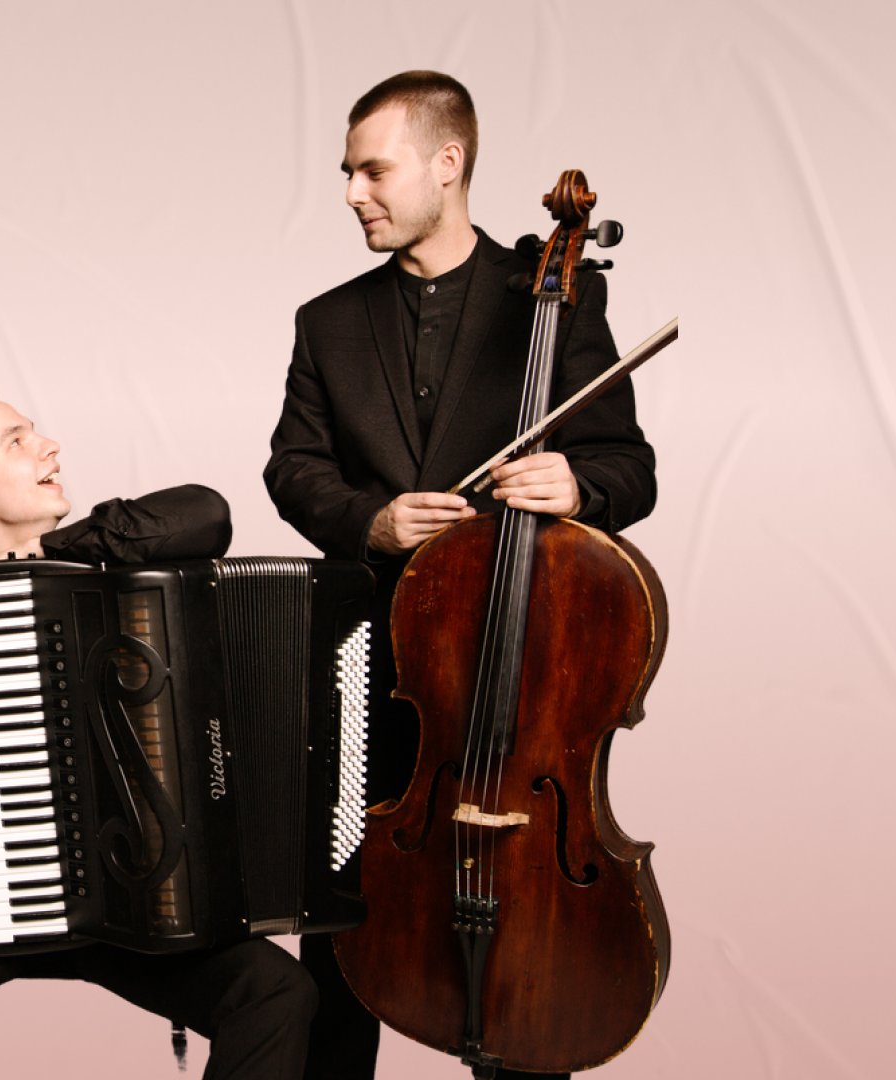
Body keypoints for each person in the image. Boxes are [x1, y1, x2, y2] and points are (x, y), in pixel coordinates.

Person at [262, 71, 657, 1080]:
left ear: (449, 163)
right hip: (373, 670)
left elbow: (629, 467)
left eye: (372, 170)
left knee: (524, 931)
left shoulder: (554, 295)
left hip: (518, 675)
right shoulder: (327, 322)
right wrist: (372, 520)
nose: (352, 192)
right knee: (342, 928)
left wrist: (577, 484)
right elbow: (293, 468)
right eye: (347, 171)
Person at [0, 382, 318, 1079]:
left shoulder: (108, 569)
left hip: (137, 892)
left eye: (35, 432)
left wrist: (37, 554)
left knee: (278, 993)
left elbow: (207, 512)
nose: (48, 446)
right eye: (16, 442)